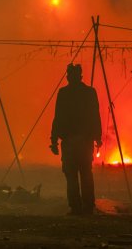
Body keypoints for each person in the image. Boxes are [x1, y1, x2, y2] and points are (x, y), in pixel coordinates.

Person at [50, 63, 102, 215]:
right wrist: (97, 137)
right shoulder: (89, 93)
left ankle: (76, 207)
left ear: (70, 76)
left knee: (72, 174)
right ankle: (87, 206)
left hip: (71, 142)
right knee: (85, 173)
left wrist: (54, 140)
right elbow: (95, 116)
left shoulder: (64, 93)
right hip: (84, 141)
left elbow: (57, 118)